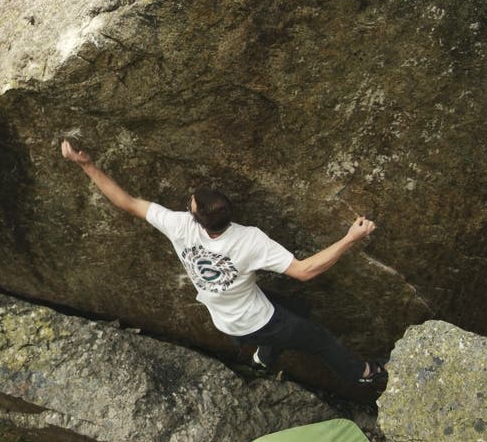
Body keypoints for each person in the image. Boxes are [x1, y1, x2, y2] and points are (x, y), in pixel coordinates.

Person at [60, 139, 386, 389]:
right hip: (257, 320)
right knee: (321, 340)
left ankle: (262, 356)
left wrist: (85, 164)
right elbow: (304, 271)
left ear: (196, 217)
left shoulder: (180, 226)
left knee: (298, 307)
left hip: (225, 318)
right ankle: (365, 375)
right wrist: (349, 239)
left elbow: (126, 202)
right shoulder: (249, 239)